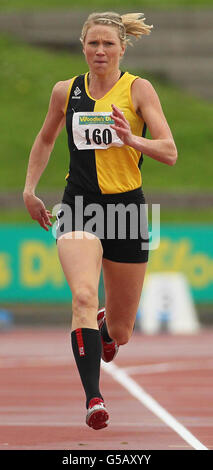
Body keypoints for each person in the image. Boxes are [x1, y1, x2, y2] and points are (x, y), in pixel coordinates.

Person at [23, 11, 177, 431]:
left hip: (126, 210)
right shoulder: (66, 91)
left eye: (109, 44)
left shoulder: (139, 89)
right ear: (83, 46)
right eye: (93, 43)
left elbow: (169, 150)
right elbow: (45, 137)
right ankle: (94, 398)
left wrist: (132, 138)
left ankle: (107, 331)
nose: (100, 51)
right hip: (80, 208)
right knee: (83, 298)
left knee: (123, 331)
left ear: (122, 48)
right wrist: (30, 189)